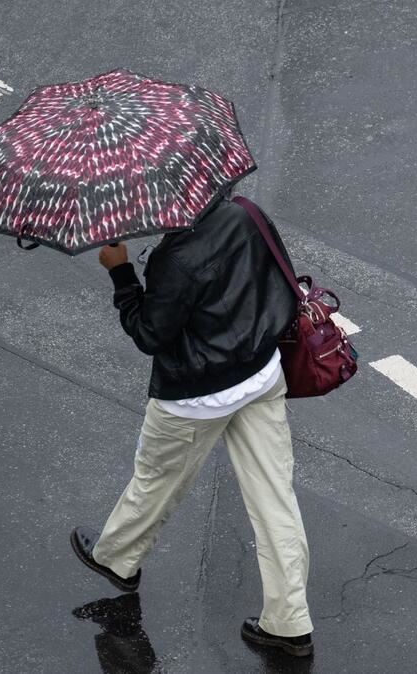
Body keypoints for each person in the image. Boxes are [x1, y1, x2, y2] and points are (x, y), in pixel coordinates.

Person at [69, 195, 314, 658]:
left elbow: (150, 335)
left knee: (157, 480)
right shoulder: (246, 212)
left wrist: (120, 271)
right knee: (275, 498)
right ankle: (289, 622)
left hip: (195, 396)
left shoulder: (174, 259)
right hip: (260, 375)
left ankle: (118, 559)